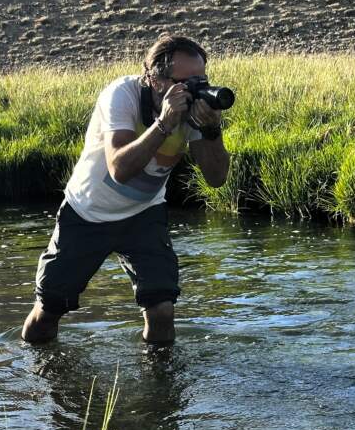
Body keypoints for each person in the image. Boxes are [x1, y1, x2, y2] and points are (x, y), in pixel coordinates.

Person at [21, 34, 230, 345]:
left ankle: (159, 374)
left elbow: (216, 178)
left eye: (201, 80)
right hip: (88, 213)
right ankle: (36, 367)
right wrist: (164, 124)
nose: (195, 89)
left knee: (162, 310)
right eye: (185, 82)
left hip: (144, 214)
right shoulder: (121, 95)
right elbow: (119, 170)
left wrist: (211, 129)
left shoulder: (194, 110)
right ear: (155, 80)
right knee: (49, 311)